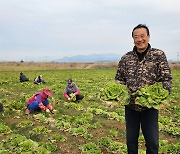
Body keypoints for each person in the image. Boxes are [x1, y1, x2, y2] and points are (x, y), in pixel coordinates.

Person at [115, 24, 172, 154]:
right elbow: (118, 79)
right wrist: (119, 95)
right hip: (131, 107)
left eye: (142, 36)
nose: (140, 39)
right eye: (136, 37)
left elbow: (166, 79)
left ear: (148, 37)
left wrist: (158, 97)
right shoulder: (126, 58)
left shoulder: (158, 55)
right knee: (131, 141)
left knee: (152, 143)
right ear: (133, 39)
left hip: (149, 108)